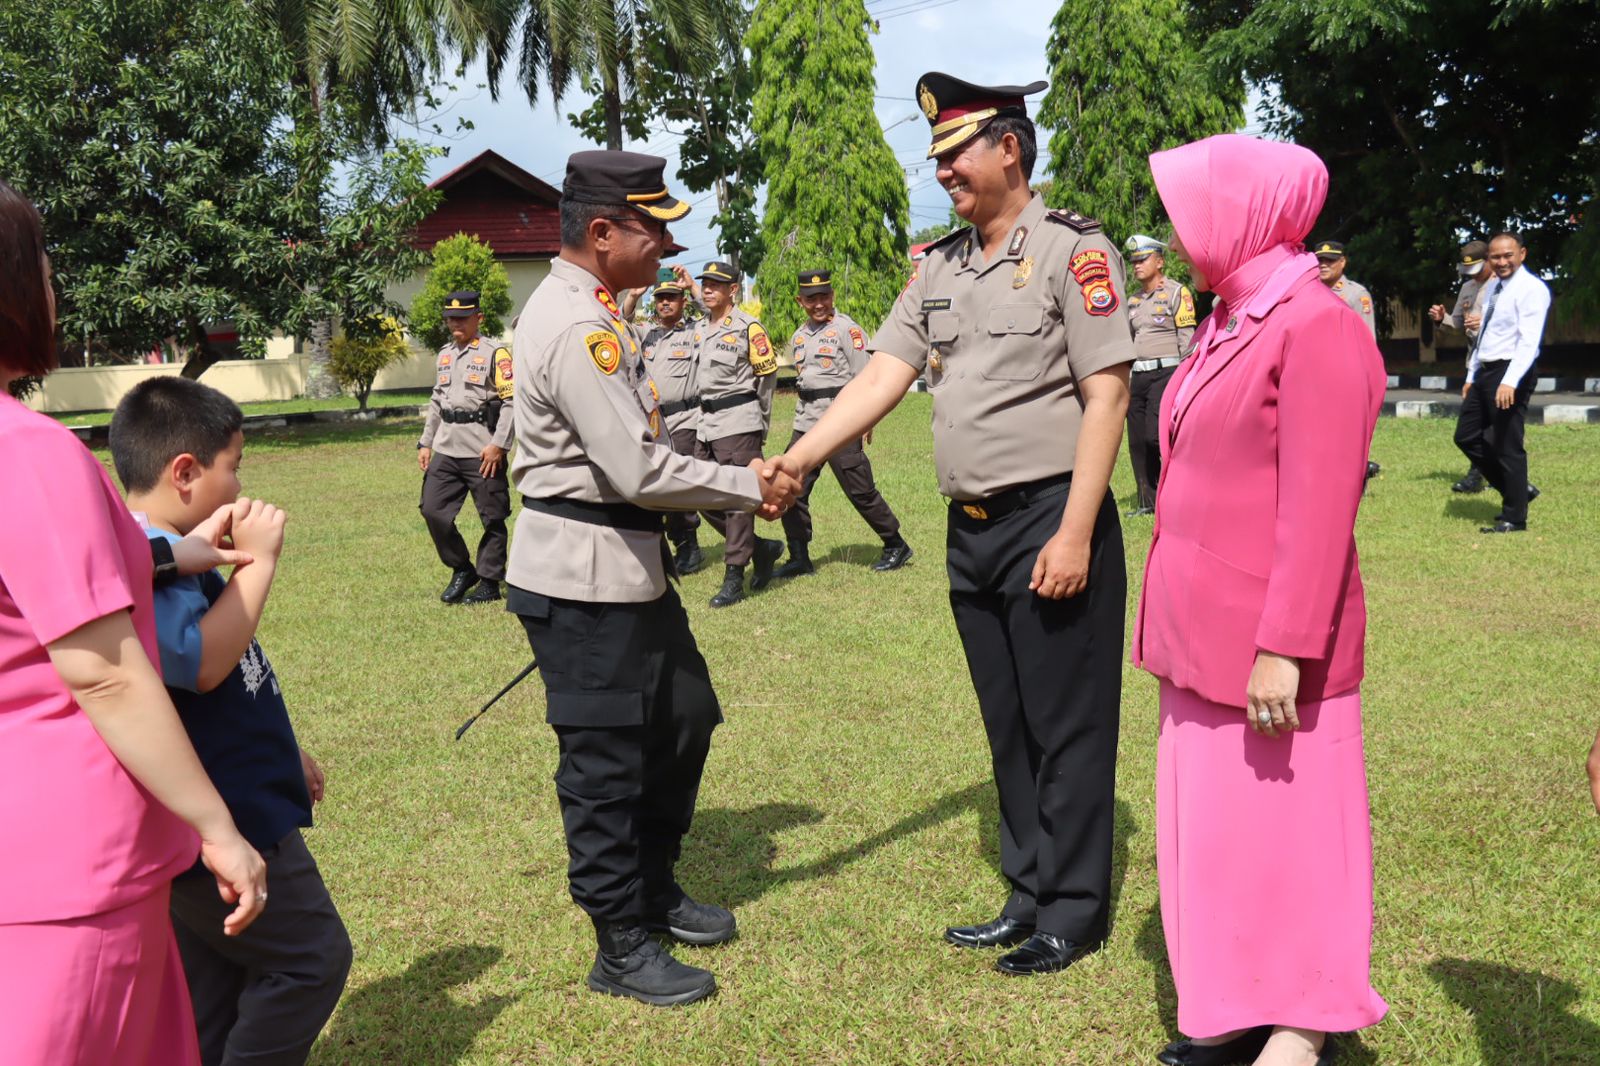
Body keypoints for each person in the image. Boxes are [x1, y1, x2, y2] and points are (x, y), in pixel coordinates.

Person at [769, 71, 1134, 976]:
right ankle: (1028, 889)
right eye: (935, 158)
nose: (942, 173)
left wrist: (1078, 530)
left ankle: (1075, 910)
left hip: (1051, 516)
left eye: (955, 153)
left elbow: (1108, 393)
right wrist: (802, 457)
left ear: (1010, 146)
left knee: (1067, 724)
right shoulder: (939, 265)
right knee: (1008, 722)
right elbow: (884, 373)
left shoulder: (1072, 252)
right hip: (969, 531)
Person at [505, 150, 801, 1006]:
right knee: (604, 764)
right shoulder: (574, 325)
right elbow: (636, 471)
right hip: (581, 578)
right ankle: (618, 940)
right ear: (602, 233)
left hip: (628, 570)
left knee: (682, 721)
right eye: (654, 228)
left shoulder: (602, 309)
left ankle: (654, 885)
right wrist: (751, 485)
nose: (669, 246)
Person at [0, 178, 266, 1066]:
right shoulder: (29, 452)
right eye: (41, 262)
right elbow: (102, 668)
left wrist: (166, 554)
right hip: (67, 865)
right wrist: (217, 825)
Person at [1135, 133, 1388, 1066]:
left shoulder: (1316, 322)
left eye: (1193, 208)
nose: (1177, 226)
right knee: (1221, 840)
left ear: (1244, 213)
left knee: (1293, 842)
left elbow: (1322, 506)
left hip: (1273, 647)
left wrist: (1285, 643)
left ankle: (1303, 1021)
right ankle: (1235, 1002)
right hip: (1200, 634)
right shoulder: (1230, 315)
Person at [111, 378, 353, 1066]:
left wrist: (288, 751)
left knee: (214, 982)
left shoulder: (160, 549)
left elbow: (235, 682)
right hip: (226, 820)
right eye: (233, 465)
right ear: (185, 471)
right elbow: (205, 664)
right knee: (311, 959)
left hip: (218, 804)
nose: (240, 481)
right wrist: (261, 563)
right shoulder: (151, 569)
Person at [774, 268, 912, 578]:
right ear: (800, 301)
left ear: (832, 296)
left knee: (859, 490)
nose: (818, 303)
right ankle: (799, 556)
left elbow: (867, 378)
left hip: (841, 422)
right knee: (789, 488)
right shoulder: (799, 336)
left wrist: (867, 420)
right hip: (806, 423)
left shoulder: (848, 331)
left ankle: (895, 544)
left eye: (824, 296)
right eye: (811, 299)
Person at [689, 260, 785, 606]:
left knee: (738, 499)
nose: (708, 288)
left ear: (733, 290)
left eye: (716, 284)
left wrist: (758, 425)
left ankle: (735, 576)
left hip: (739, 422)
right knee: (700, 494)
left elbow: (767, 380)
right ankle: (761, 548)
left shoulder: (748, 327)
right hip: (706, 424)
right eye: (705, 283)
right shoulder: (701, 327)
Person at [417, 291, 514, 605]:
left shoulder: (495, 353)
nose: (455, 322)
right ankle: (461, 568)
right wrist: (426, 441)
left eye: (462, 317)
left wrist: (498, 445)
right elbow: (436, 401)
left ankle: (489, 580)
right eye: (450, 318)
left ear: (479, 319)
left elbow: (512, 402)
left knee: (492, 516)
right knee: (433, 510)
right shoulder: (444, 353)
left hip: (481, 447)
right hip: (447, 445)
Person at [1454, 232, 1551, 533]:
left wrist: (1510, 382)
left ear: (1522, 254)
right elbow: (1487, 333)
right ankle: (1519, 491)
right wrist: (1473, 374)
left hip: (1513, 370)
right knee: (1466, 436)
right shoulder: (1494, 284)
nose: (1501, 261)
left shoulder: (1532, 289)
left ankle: (1515, 517)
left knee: (1506, 443)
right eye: (1495, 256)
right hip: (1486, 368)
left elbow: (1529, 341)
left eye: (1507, 255)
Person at [628, 268, 708, 574]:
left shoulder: (695, 332)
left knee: (677, 482)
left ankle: (689, 545)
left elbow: (715, 317)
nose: (665, 304)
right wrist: (633, 296)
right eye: (660, 298)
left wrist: (695, 289)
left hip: (686, 418)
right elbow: (620, 324)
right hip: (653, 422)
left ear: (682, 301)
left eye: (671, 298)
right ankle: (677, 544)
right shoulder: (645, 333)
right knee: (658, 485)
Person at [1121, 235, 1196, 516]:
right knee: (1138, 440)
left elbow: (1186, 340)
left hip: (1166, 374)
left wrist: (1185, 379)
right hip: (1138, 377)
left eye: (1143, 259)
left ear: (1160, 261)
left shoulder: (1178, 293)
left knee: (1156, 437)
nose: (1137, 265)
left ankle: (1176, 493)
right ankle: (1147, 502)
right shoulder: (1133, 300)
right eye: (1134, 261)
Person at [1430, 240, 1491, 494]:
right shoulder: (1467, 287)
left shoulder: (1502, 286)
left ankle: (1487, 473)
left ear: (1489, 260)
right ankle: (1479, 472)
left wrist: (1486, 319)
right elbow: (1457, 323)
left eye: (1478, 268)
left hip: (1500, 360)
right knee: (1475, 422)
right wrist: (1440, 318)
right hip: (1474, 362)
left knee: (1493, 423)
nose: (1474, 275)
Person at [1313, 240, 1376, 336]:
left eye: (1330, 260)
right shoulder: (1311, 293)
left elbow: (1366, 337)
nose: (1323, 265)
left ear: (1342, 262)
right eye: (1320, 260)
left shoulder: (1356, 294)